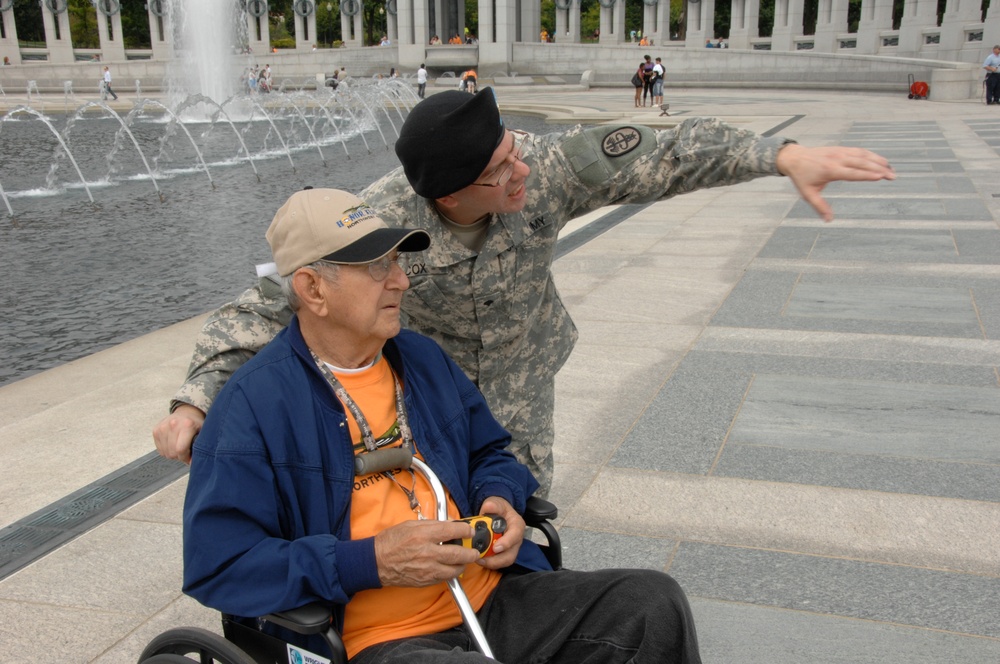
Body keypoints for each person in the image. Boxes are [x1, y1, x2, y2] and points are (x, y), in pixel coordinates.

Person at [153, 87, 895, 497]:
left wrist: (781, 154)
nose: (522, 173)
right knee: (432, 520)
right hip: (428, 401)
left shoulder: (545, 166)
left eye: (513, 150)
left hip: (521, 382)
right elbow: (271, 305)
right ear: (449, 195)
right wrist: (195, 401)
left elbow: (663, 152)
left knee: (523, 508)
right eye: (501, 172)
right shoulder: (384, 218)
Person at [182, 187, 703, 663]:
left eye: (399, 261)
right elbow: (220, 563)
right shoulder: (253, 405)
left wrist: (499, 496)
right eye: (377, 266)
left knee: (651, 604)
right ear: (313, 289)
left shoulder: (421, 359)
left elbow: (491, 452)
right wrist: (369, 562)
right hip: (377, 640)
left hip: (490, 597)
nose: (402, 279)